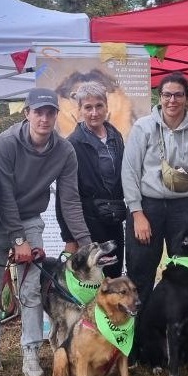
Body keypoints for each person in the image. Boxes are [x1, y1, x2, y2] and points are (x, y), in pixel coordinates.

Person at [0, 87, 91, 376]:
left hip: (31, 217)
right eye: (38, 112)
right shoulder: (6, 143)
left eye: (50, 113)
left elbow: (70, 200)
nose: (44, 119)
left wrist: (86, 243)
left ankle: (30, 350)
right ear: (27, 113)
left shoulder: (64, 151)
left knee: (31, 288)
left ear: (56, 115)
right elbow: (3, 194)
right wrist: (18, 240)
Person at [122, 72, 188, 309]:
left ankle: (184, 330)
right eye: (167, 95)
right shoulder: (142, 128)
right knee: (140, 273)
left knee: (187, 272)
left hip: (183, 209)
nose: (172, 100)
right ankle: (139, 331)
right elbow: (130, 172)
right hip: (147, 207)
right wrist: (137, 213)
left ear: (187, 99)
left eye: (178, 95)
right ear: (160, 97)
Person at [56, 81, 126, 277]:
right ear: (80, 110)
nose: (94, 113)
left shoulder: (116, 137)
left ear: (106, 106)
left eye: (98, 106)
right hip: (87, 224)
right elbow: (64, 196)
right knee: (90, 280)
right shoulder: (72, 144)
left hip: (114, 219)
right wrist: (70, 237)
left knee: (113, 278)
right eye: (88, 107)